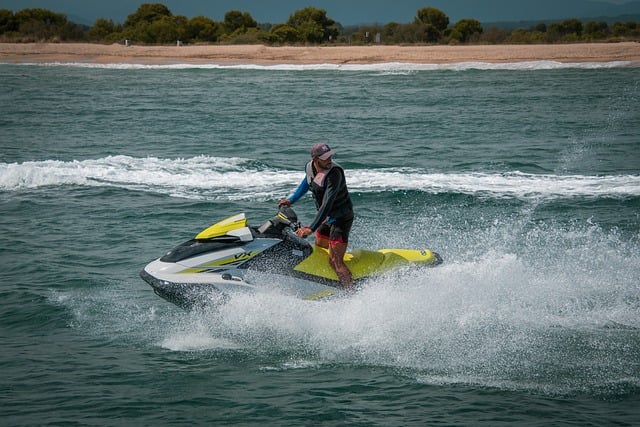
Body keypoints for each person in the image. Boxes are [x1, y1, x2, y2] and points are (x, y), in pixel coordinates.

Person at [279, 142, 354, 287]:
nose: (329, 160)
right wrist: (291, 200)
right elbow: (307, 182)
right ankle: (327, 283)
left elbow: (327, 203)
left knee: (335, 261)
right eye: (325, 158)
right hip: (327, 219)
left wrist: (311, 229)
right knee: (319, 250)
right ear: (315, 159)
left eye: (330, 156)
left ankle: (352, 293)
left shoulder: (334, 173)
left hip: (341, 218)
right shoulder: (309, 167)